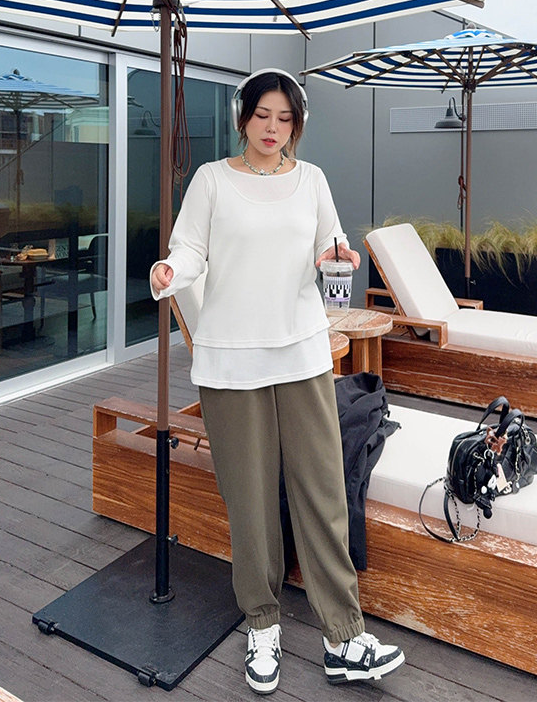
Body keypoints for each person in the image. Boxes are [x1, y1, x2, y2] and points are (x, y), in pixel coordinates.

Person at [151, 69, 404, 693]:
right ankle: (262, 625)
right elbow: (191, 250)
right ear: (243, 118)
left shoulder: (311, 180)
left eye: (285, 118)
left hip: (301, 353)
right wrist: (170, 269)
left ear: (297, 124)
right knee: (250, 497)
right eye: (262, 115)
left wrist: (337, 258)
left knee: (322, 488)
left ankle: (343, 636)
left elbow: (330, 244)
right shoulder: (212, 180)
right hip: (230, 361)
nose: (272, 128)